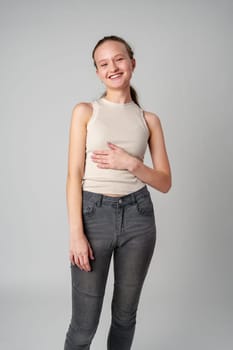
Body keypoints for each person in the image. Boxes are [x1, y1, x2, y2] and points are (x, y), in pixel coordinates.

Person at [64, 35, 172, 350]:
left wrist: (131, 164)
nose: (113, 67)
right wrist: (76, 234)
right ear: (98, 72)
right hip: (93, 216)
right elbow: (73, 175)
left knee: (125, 317)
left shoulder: (149, 120)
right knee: (84, 327)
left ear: (132, 63)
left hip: (139, 219)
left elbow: (164, 182)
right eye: (104, 63)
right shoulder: (85, 111)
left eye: (119, 59)